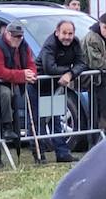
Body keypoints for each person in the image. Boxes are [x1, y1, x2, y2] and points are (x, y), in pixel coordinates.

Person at [0, 21, 37, 168]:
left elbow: (31, 64)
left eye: (20, 37)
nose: (18, 39)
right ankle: (7, 127)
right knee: (4, 94)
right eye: (15, 36)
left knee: (6, 96)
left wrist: (30, 74)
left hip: (10, 84)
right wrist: (22, 75)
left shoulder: (23, 45)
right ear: (7, 34)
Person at [34, 19, 83, 164]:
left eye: (70, 33)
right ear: (57, 32)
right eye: (64, 33)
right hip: (38, 86)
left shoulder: (75, 43)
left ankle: (62, 154)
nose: (67, 37)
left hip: (55, 86)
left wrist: (70, 74)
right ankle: (39, 154)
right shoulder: (50, 44)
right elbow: (49, 68)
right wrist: (69, 71)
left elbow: (82, 63)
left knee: (55, 121)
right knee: (39, 122)